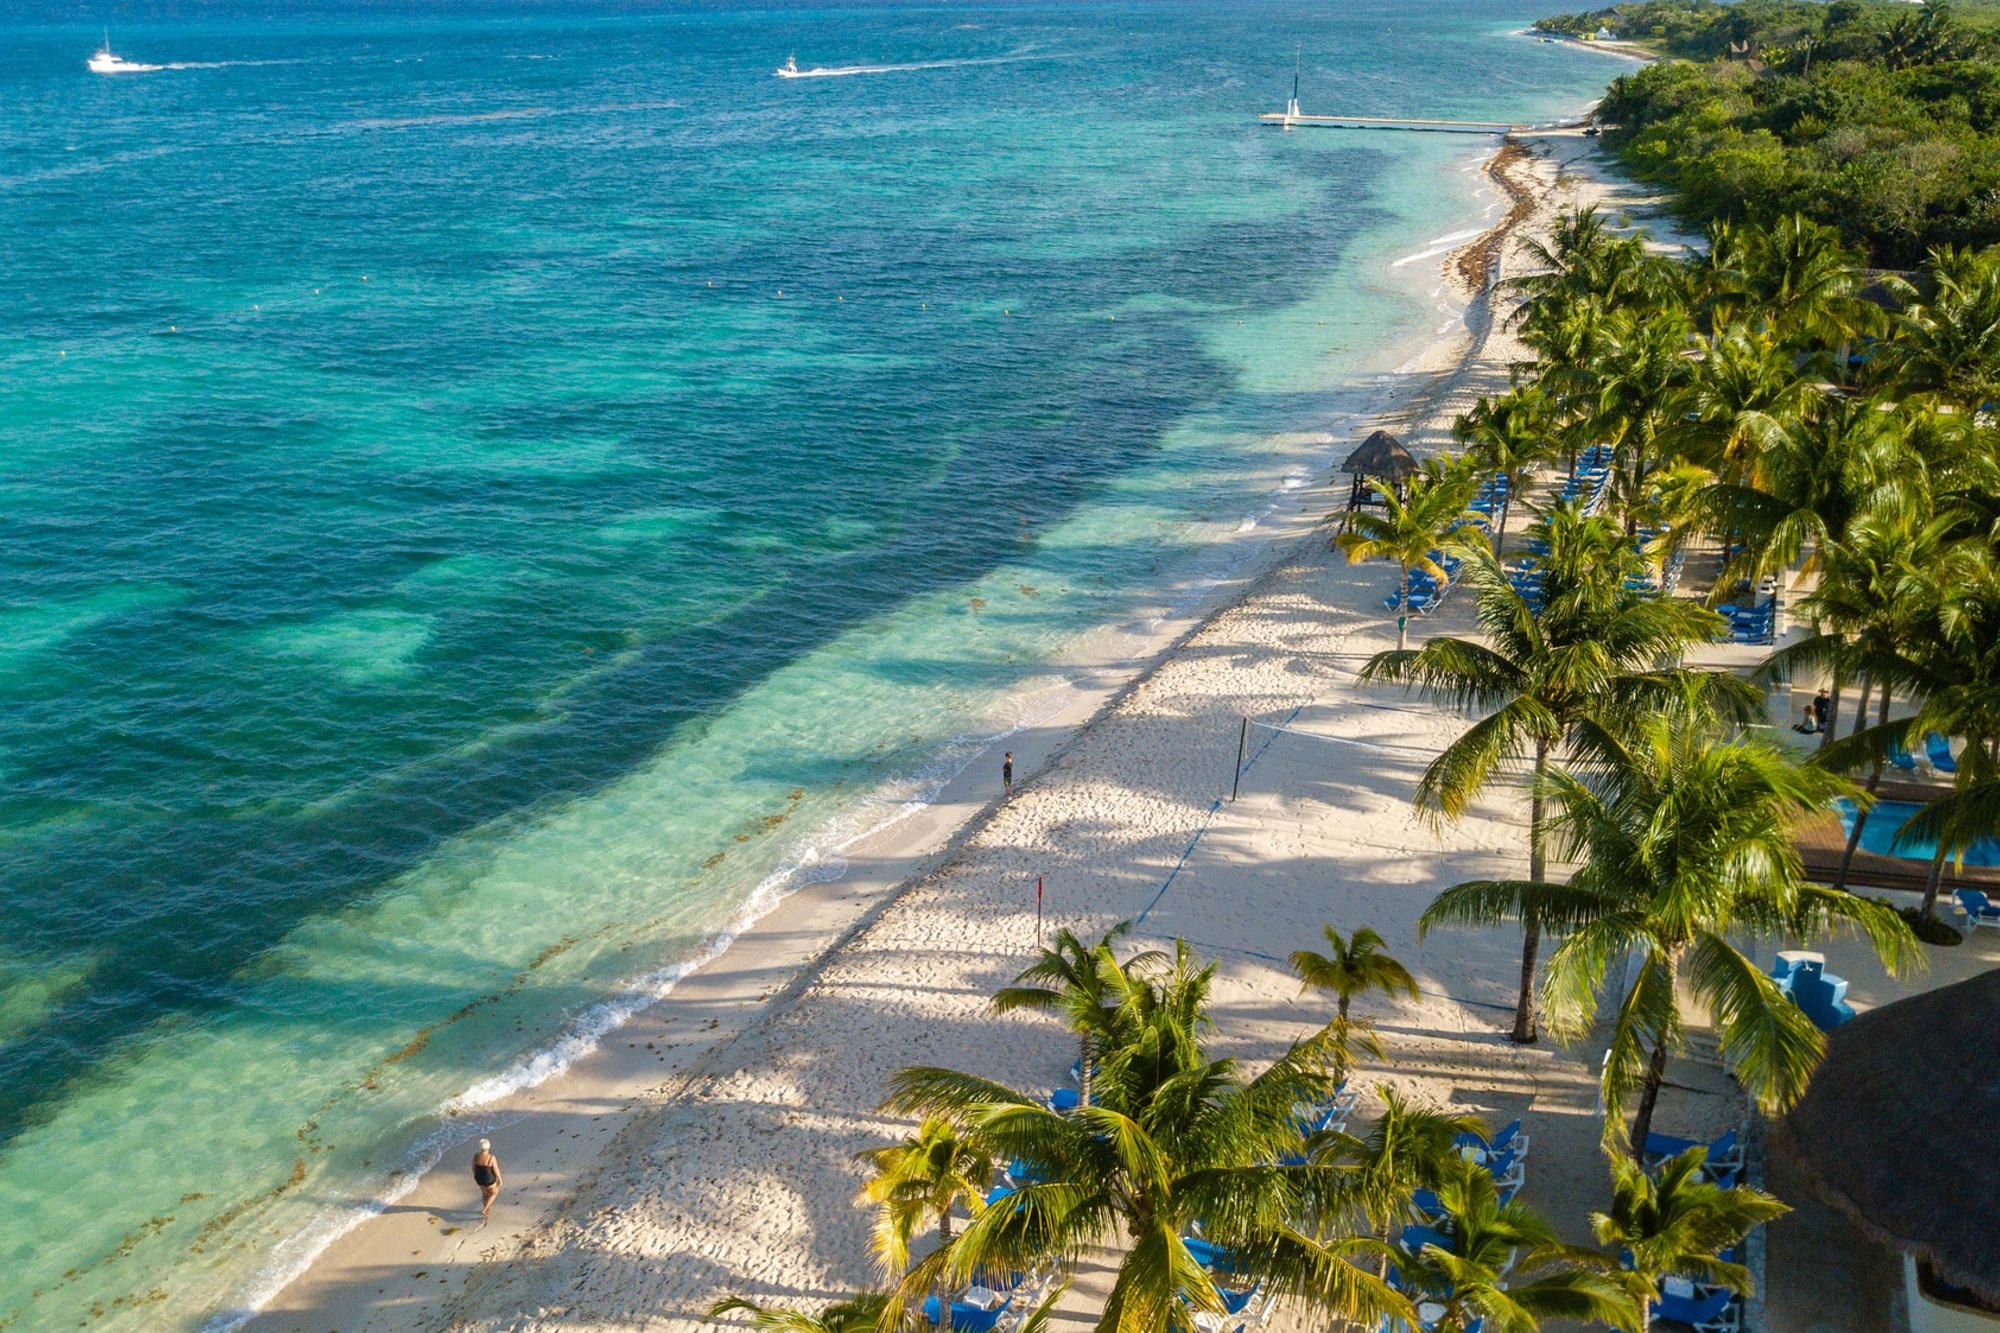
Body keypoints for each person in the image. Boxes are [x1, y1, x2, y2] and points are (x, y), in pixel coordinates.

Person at [472, 1139, 501, 1219]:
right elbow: (496, 1169)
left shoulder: (476, 1156)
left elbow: (473, 1168)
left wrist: (475, 1176)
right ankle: (485, 1209)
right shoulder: (491, 1158)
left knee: (484, 1193)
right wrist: (500, 1179)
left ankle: (487, 1208)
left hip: (479, 1178)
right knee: (493, 1193)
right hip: (489, 1179)